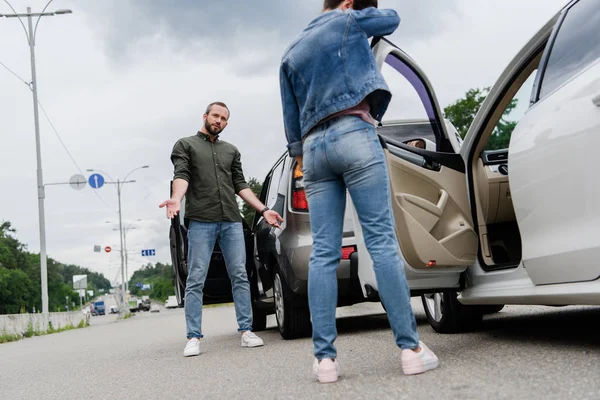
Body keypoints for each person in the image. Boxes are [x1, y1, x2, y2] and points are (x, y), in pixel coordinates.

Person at [279, 0, 439, 383]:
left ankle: (325, 362)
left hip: (313, 149)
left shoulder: (289, 53)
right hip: (354, 132)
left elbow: (290, 121)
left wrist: (301, 155)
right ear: (348, 3)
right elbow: (392, 20)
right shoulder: (347, 19)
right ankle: (411, 350)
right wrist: (352, 16)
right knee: (381, 241)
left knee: (323, 253)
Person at [160, 101, 283, 357]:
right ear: (205, 116)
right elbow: (181, 175)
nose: (219, 121)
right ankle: (193, 337)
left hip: (231, 220)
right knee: (196, 278)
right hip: (201, 221)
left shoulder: (231, 151)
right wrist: (176, 198)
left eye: (224, 119)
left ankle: (247, 331)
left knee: (240, 275)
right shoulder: (186, 145)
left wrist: (263, 209)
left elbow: (240, 184)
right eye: (215, 116)